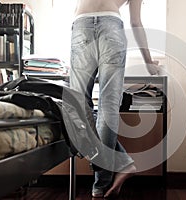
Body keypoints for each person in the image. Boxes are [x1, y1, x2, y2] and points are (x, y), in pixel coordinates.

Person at [70, 0, 159, 198]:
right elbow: (136, 22)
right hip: (112, 26)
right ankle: (102, 185)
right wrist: (149, 62)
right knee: (108, 106)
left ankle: (121, 165)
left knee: (77, 102)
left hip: (81, 25)